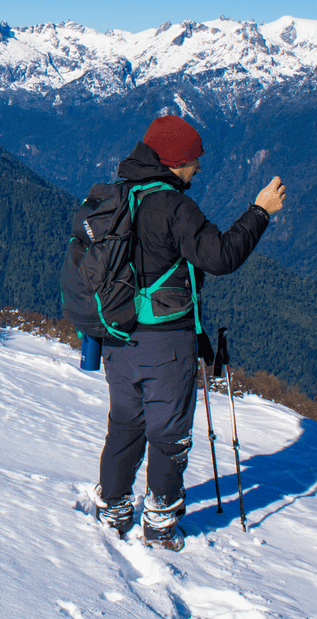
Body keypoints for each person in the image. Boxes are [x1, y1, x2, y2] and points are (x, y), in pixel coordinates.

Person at [94, 114, 286, 550]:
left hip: (116, 336)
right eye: (194, 160)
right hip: (165, 342)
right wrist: (259, 212)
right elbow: (220, 256)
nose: (198, 168)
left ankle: (113, 511)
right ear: (175, 160)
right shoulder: (174, 207)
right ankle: (160, 526)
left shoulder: (117, 195)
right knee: (169, 435)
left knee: (124, 426)